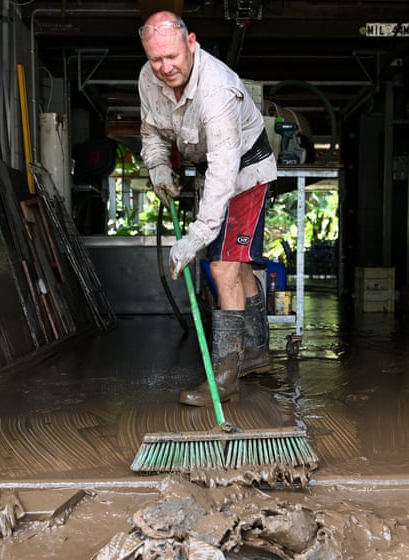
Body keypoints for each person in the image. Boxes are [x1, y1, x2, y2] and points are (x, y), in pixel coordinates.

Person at [137, 11, 278, 406]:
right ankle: (256, 353)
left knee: (222, 266)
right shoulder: (149, 79)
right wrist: (159, 166)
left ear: (191, 43)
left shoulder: (215, 89)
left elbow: (223, 170)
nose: (165, 68)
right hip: (212, 172)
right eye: (156, 59)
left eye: (172, 57)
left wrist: (197, 235)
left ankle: (224, 378)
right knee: (237, 263)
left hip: (244, 172)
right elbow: (151, 130)